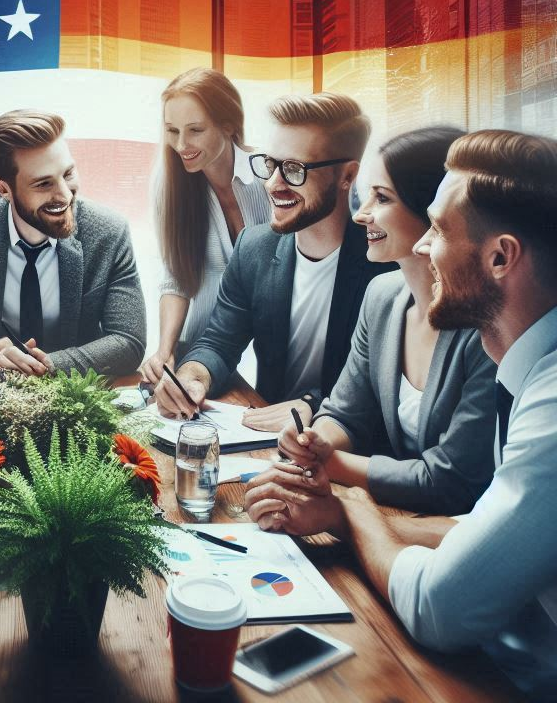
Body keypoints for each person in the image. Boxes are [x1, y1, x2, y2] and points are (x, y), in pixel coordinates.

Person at [244, 130, 557, 696]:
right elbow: (484, 529)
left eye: (436, 230)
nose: (420, 248)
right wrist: (343, 511)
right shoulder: (526, 365)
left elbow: (439, 607)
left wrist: (353, 506)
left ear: (500, 256)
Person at [277, 126, 496, 514]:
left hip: (453, 536)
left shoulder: (487, 327)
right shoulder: (382, 297)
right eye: (365, 196)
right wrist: (314, 440)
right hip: (393, 513)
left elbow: (450, 480)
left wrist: (331, 463)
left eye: (381, 198)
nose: (361, 215)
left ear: (433, 210)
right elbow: (345, 413)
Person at [155, 92, 395, 430]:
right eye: (271, 164)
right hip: (265, 438)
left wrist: (315, 404)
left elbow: (382, 383)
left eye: (294, 169)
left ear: (347, 176)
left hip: (351, 449)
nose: (273, 183)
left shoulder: (385, 264)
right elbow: (219, 342)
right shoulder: (253, 248)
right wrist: (194, 376)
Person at [0, 109, 146, 378]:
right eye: (43, 184)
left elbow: (128, 339)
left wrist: (45, 367)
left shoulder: (109, 231)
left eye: (68, 174)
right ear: (2, 188)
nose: (64, 195)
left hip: (75, 398)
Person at [139, 68, 270, 381]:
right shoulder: (167, 185)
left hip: (271, 344)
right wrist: (165, 350)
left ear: (228, 125)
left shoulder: (270, 174)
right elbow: (176, 276)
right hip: (206, 346)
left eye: (195, 130)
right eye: (172, 130)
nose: (181, 144)